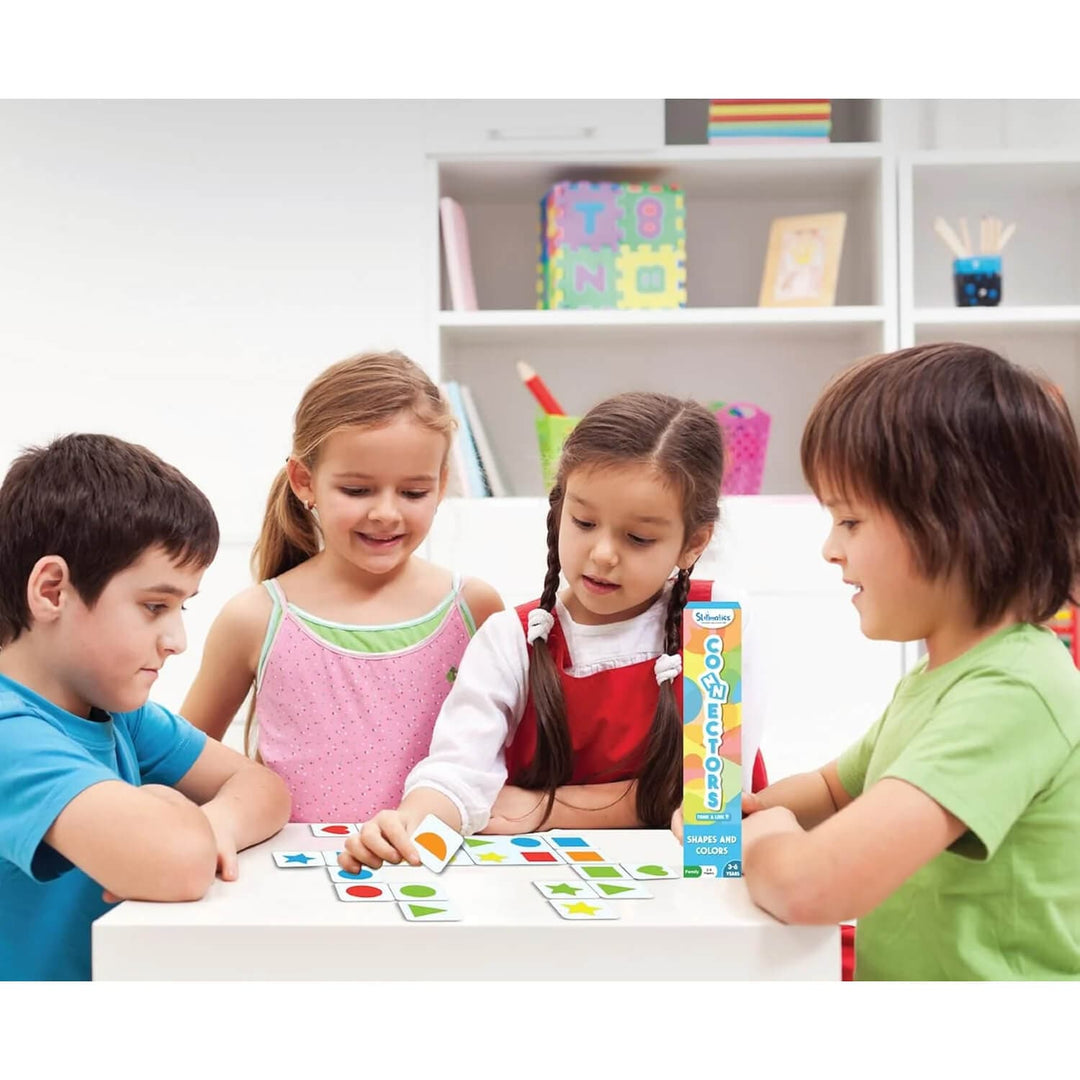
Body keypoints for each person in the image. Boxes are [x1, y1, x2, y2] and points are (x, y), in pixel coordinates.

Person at [730, 343, 1080, 980]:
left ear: (959, 520)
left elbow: (813, 886)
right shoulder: (941, 679)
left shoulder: (1015, 691)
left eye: (851, 521)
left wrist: (763, 837)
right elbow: (833, 792)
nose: (829, 550)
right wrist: (731, 811)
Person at [343, 390, 738, 871]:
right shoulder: (510, 638)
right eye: (584, 521)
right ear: (558, 509)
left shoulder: (717, 628)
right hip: (534, 894)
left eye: (638, 538)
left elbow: (714, 805)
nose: (603, 554)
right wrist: (408, 826)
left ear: (693, 543)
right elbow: (458, 774)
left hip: (684, 899)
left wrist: (543, 807)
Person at [0, 433, 291, 981]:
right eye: (155, 606)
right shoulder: (8, 732)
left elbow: (266, 789)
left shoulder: (115, 714)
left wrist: (213, 825)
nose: (177, 640)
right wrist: (170, 817)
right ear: (53, 590)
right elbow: (177, 863)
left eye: (181, 607)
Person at [181, 351, 502, 821]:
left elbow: (507, 758)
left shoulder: (475, 609)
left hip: (435, 874)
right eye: (357, 490)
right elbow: (178, 763)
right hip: (291, 879)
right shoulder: (255, 618)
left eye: (414, 492)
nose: (387, 513)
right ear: (304, 481)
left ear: (442, 482)